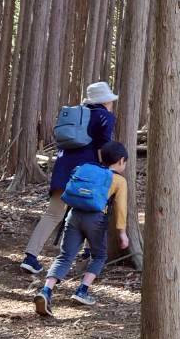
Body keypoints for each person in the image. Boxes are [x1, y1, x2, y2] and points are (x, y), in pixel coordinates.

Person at [20, 81, 117, 275]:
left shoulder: (76, 115)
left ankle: (30, 257)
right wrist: (106, 172)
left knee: (52, 214)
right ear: (105, 101)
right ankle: (89, 254)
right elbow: (103, 148)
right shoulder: (104, 116)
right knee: (90, 211)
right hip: (86, 175)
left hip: (62, 169)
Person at [34, 142, 129, 315]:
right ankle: (82, 291)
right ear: (122, 161)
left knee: (65, 256)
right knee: (99, 255)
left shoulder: (87, 168)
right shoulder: (119, 181)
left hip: (74, 215)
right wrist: (122, 233)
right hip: (96, 219)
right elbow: (121, 209)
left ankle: (46, 291)